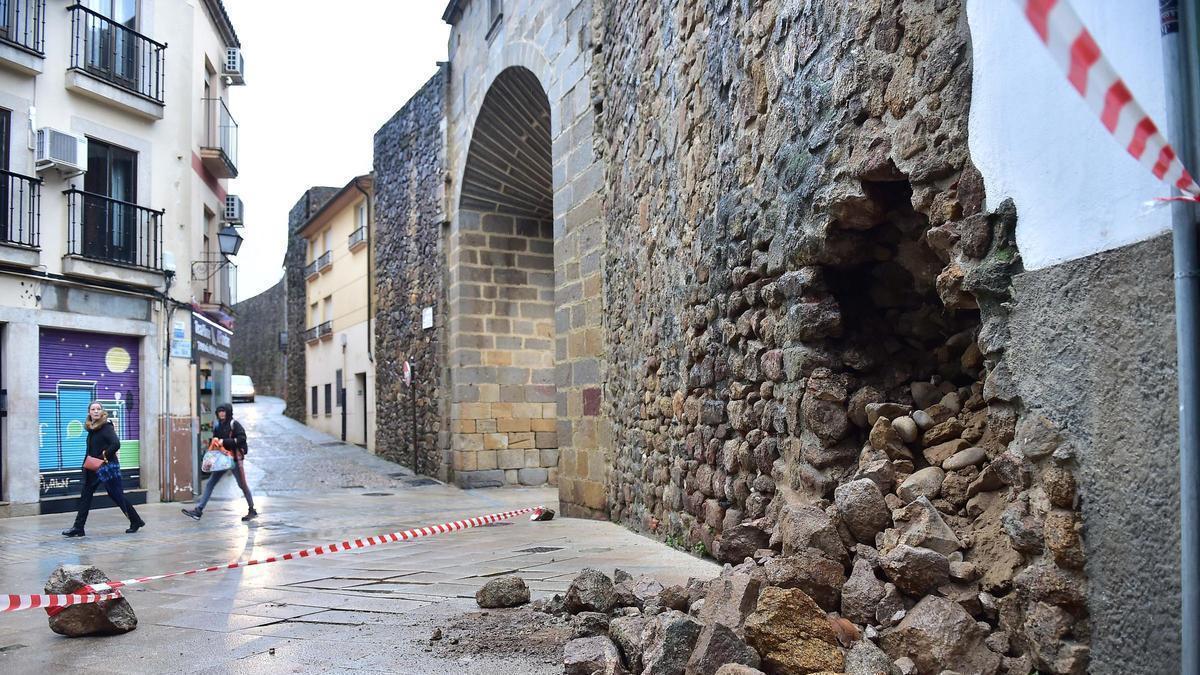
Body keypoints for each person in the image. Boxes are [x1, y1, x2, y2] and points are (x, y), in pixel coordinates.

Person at [62, 402, 145, 537]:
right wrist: (85, 464)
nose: (96, 411)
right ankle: (78, 527)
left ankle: (135, 520)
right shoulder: (91, 428)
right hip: (92, 467)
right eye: (93, 409)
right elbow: (91, 449)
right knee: (86, 496)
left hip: (108, 468)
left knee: (116, 495)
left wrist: (103, 456)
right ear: (89, 412)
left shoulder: (106, 427)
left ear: (102, 412)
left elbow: (116, 444)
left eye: (98, 409)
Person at [182, 403, 257, 521]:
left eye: (224, 411)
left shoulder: (234, 424)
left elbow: (242, 439)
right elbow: (217, 440)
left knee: (242, 485)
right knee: (210, 483)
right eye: (220, 411)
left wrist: (224, 441)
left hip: (234, 460)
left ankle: (252, 509)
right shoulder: (218, 426)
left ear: (228, 412)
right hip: (222, 460)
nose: (222, 413)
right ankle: (198, 510)